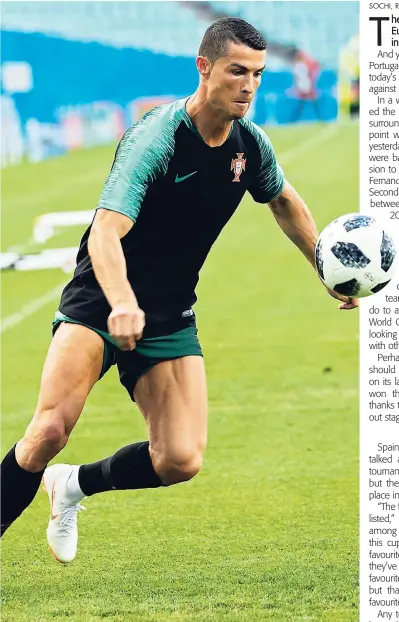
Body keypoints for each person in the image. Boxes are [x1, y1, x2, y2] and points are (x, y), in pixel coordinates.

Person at [0, 17, 358, 563]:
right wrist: (121, 303)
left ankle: (71, 486)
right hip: (101, 302)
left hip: (168, 314)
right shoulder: (157, 136)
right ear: (204, 67)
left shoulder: (249, 146)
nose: (249, 85)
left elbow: (284, 201)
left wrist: (324, 267)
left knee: (180, 459)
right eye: (238, 71)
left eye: (259, 74)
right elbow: (104, 230)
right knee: (49, 429)